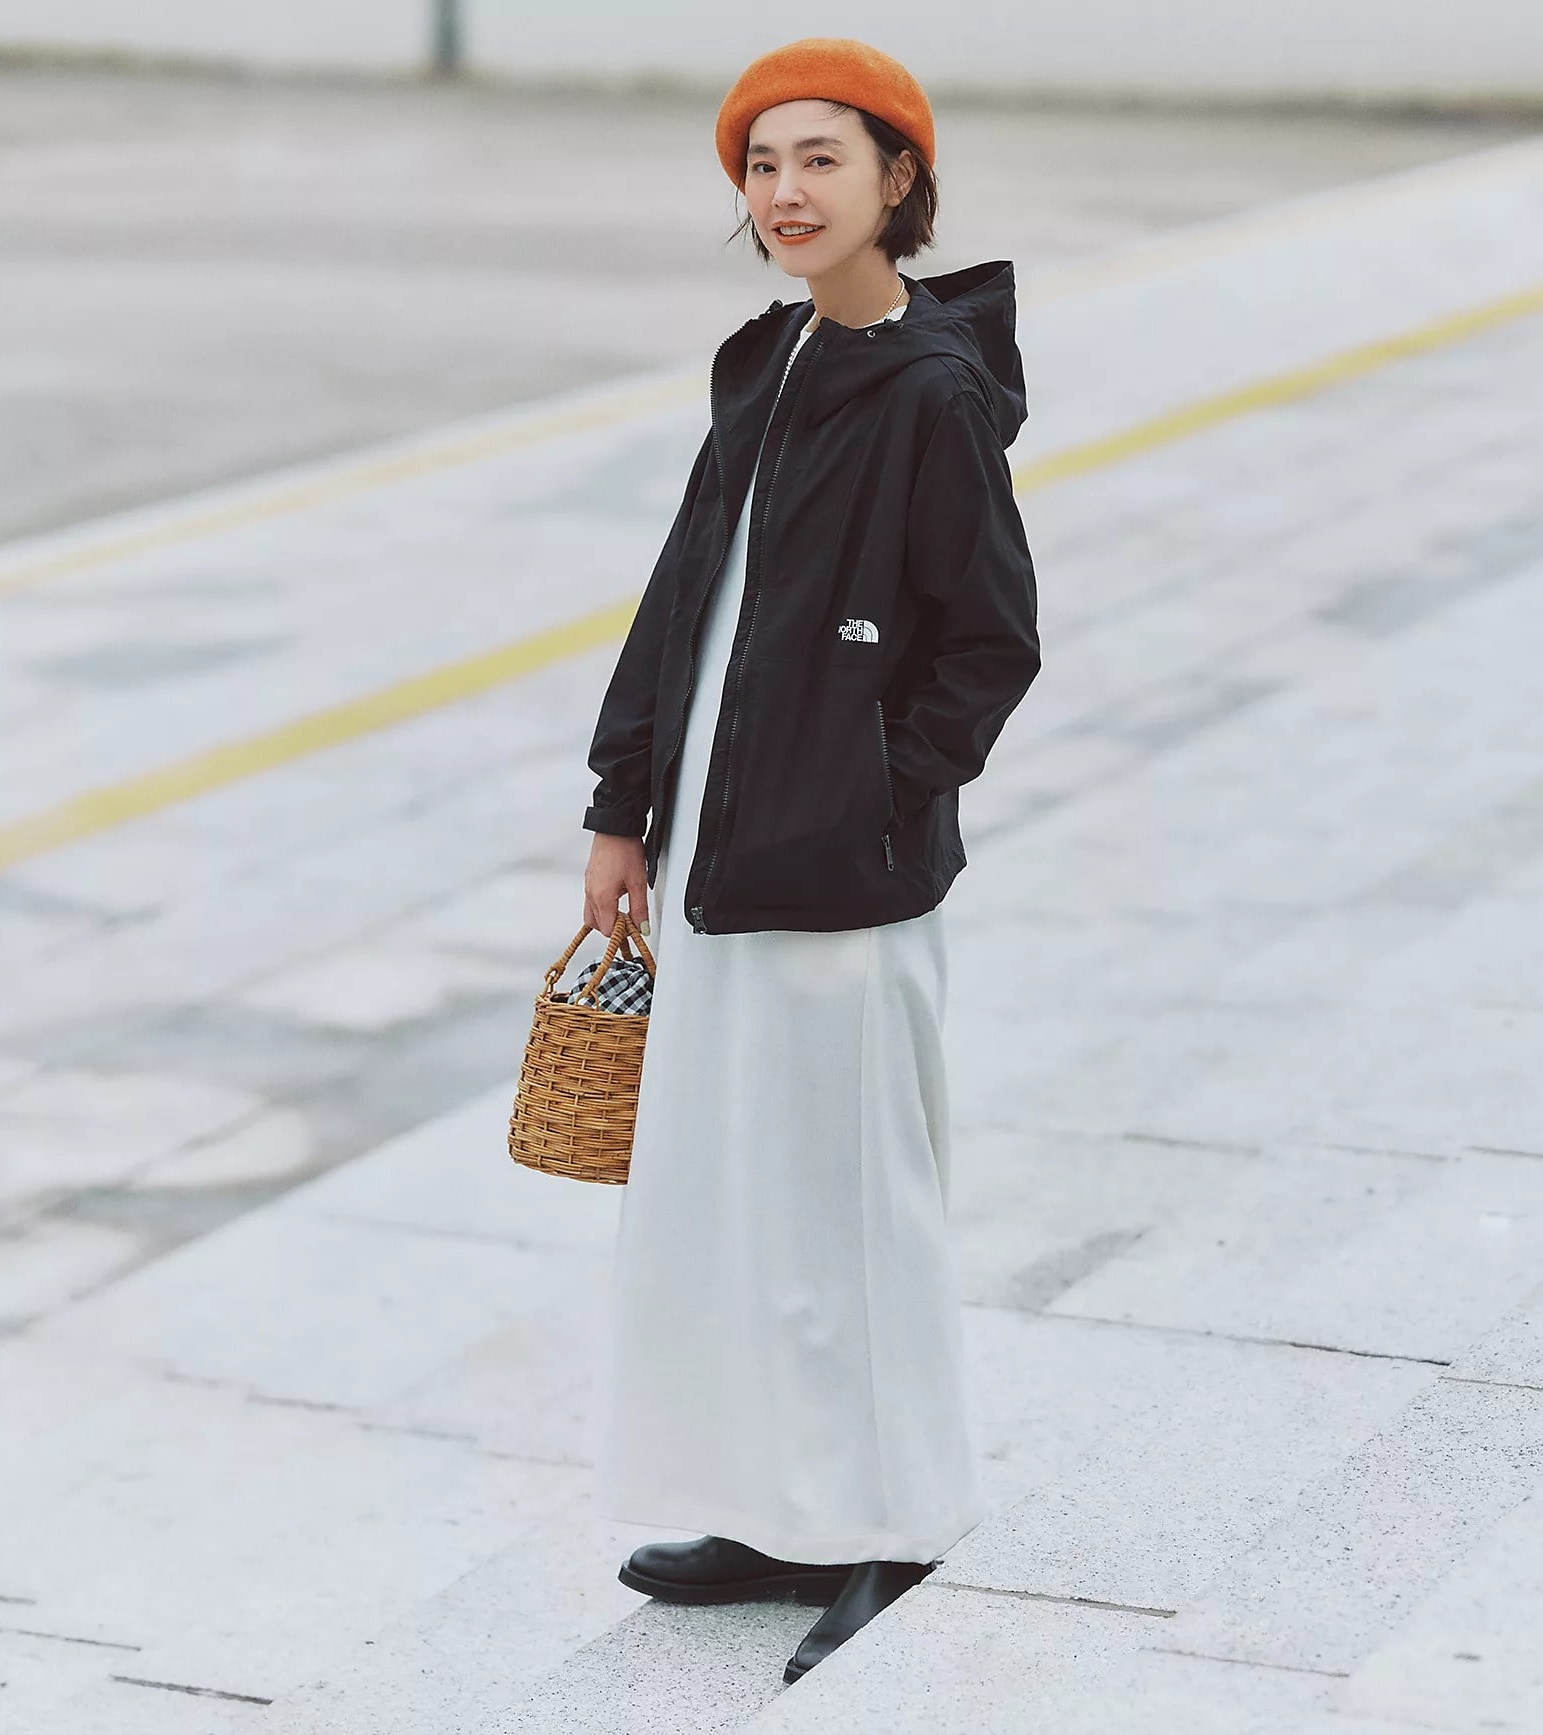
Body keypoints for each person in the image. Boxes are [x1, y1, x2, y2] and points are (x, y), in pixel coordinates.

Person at [577, 37, 1041, 1685]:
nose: (785, 192)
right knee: (741, 1197)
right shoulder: (772, 358)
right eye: (762, 165)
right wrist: (623, 803)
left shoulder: (930, 389)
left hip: (841, 869)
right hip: (722, 846)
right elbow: (684, 587)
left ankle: (892, 1524)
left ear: (899, 179)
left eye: (822, 159)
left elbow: (990, 644)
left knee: (854, 1208)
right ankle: (781, 1513)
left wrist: (872, 802)